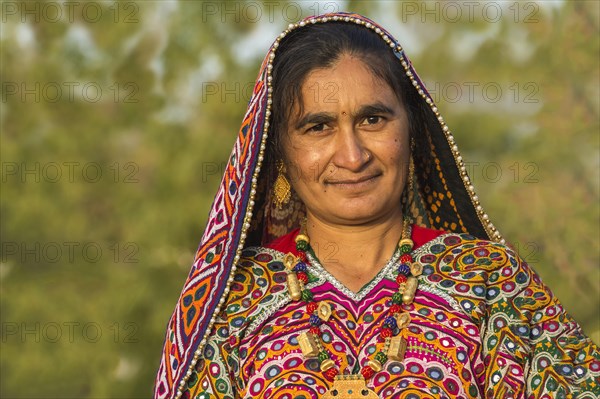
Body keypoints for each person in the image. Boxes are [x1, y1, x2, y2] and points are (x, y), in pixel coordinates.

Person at [154, 12, 599, 399]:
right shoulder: (231, 303)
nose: (352, 155)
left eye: (372, 119)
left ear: (411, 130)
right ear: (281, 155)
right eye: (318, 127)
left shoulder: (491, 282)